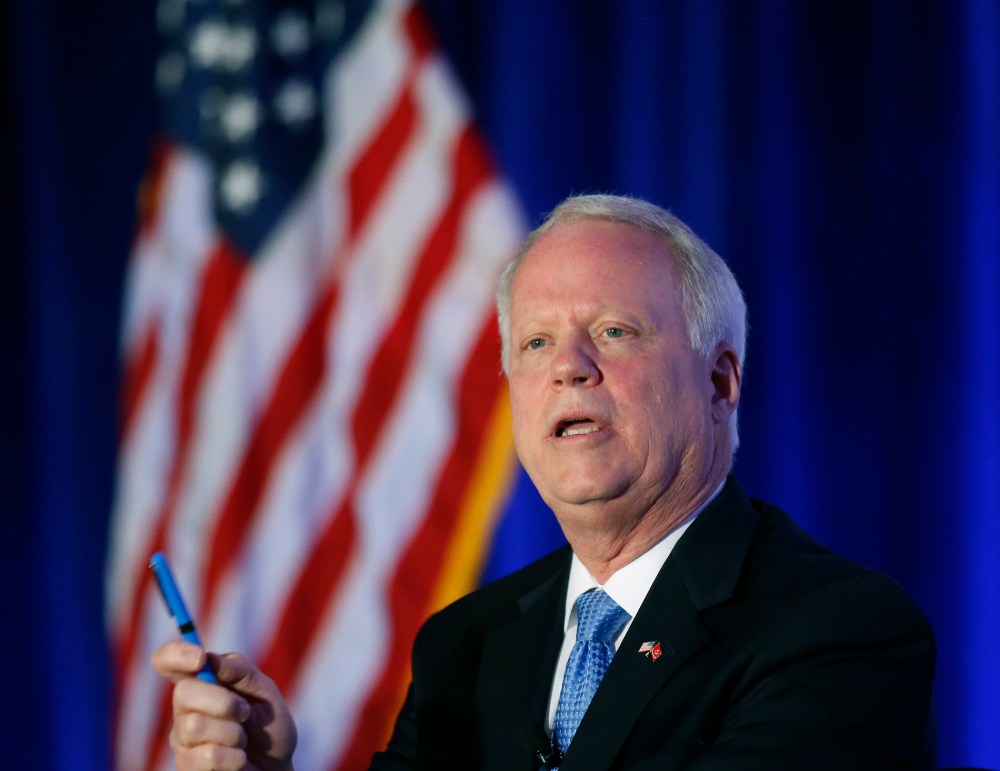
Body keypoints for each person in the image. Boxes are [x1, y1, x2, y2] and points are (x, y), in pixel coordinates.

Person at [153, 194, 936, 770]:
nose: (567, 366)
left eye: (614, 332)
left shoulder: (835, 630)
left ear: (721, 383)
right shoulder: (469, 645)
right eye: (534, 342)